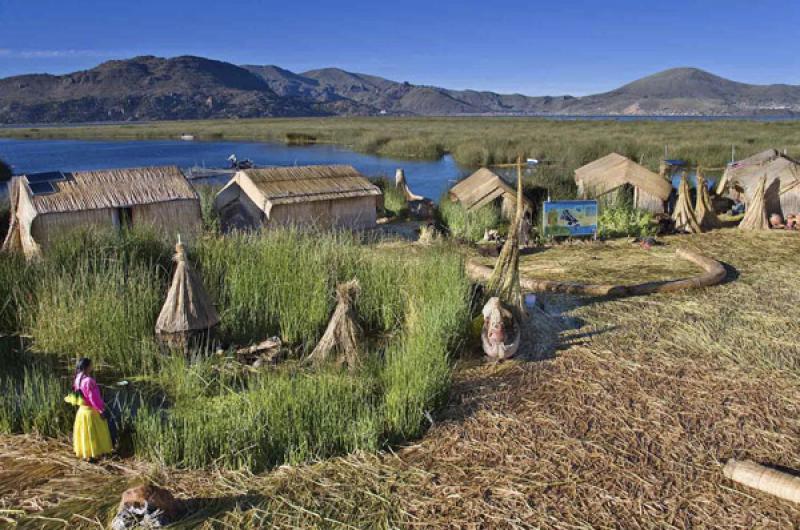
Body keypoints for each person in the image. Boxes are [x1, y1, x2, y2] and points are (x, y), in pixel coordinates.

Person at [64, 358, 113, 461]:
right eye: (91, 365)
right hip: (91, 412)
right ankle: (95, 454)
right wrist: (101, 410)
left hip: (82, 412)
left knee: (85, 434)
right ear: (87, 367)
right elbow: (94, 398)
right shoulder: (89, 381)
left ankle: (88, 455)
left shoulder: (77, 379)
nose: (92, 366)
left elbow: (76, 396)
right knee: (95, 433)